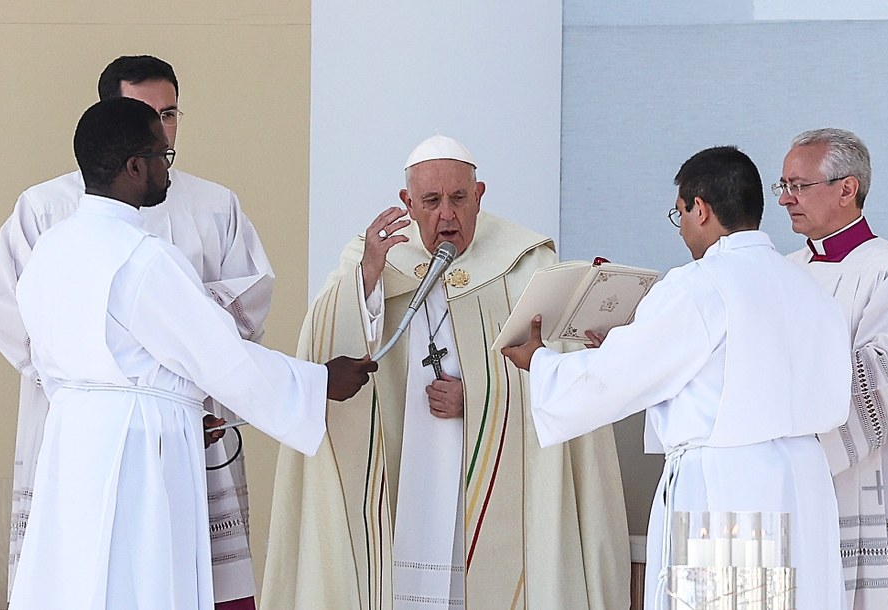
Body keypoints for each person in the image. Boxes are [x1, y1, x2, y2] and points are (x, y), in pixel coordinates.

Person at [8, 97, 377, 610]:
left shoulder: (52, 249)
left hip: (72, 442)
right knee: (140, 582)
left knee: (75, 581)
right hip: (140, 448)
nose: (168, 168)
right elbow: (222, 359)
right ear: (135, 167)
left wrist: (179, 403)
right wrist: (319, 382)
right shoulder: (142, 258)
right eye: (162, 156)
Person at [260, 135, 630, 609]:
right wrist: (369, 276)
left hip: (490, 473)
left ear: (479, 196)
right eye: (431, 202)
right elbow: (327, 346)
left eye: (458, 198)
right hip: (405, 461)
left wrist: (478, 398)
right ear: (407, 203)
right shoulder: (373, 256)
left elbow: (557, 374)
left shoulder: (525, 263)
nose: (446, 215)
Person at [502, 146, 852, 610]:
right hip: (804, 481)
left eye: (680, 213)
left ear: (700, 209)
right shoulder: (807, 285)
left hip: (730, 488)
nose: (682, 226)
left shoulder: (700, 283)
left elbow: (615, 379)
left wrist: (542, 362)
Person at [0, 55, 271, 609]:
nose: (161, 131)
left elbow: (247, 298)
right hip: (83, 421)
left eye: (169, 114)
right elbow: (13, 313)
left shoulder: (215, 204)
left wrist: (187, 368)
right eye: (146, 114)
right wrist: (126, 358)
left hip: (189, 419)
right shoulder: (45, 208)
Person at [776, 128, 888, 609]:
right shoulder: (779, 271)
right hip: (781, 476)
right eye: (781, 185)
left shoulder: (886, 270)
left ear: (847, 189)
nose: (786, 200)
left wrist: (796, 438)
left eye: (799, 186)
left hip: (852, 476)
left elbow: (883, 380)